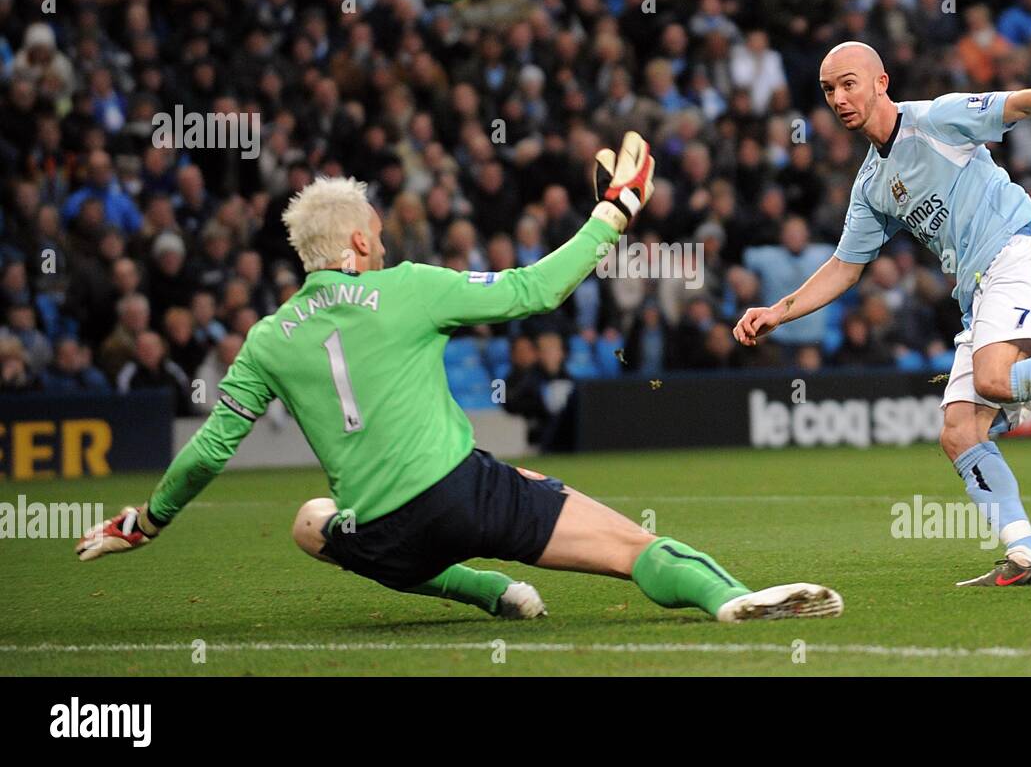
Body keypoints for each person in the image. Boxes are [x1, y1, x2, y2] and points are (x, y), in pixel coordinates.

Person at [77, 133, 842, 623]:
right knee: (631, 547)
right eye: (375, 236)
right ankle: (730, 597)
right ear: (356, 241)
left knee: (311, 521)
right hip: (460, 497)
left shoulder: (269, 337)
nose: (382, 244)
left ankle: (488, 592)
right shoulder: (407, 286)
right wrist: (616, 211)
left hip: (381, 538)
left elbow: (211, 451)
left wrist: (144, 523)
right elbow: (537, 289)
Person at [733, 42, 1031, 588]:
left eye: (849, 83)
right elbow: (843, 267)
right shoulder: (871, 185)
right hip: (977, 293)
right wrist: (777, 312)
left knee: (995, 381)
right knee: (959, 432)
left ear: (881, 82)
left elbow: (1020, 103)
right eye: (829, 89)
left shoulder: (936, 119)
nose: (838, 98)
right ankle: (1026, 555)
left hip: (1015, 257)